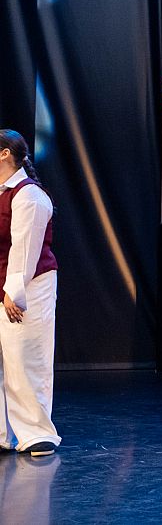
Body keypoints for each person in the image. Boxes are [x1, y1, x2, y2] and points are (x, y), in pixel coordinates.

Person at [0, 129, 60, 458]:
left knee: (25, 358)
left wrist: (14, 292)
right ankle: (3, 434)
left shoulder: (29, 196)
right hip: (3, 282)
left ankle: (36, 432)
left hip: (29, 286)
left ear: (5, 154)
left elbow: (25, 249)